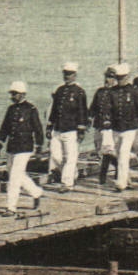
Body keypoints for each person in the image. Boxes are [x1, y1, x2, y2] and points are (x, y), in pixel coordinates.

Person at [0, 81, 46, 215]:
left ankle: (11, 207)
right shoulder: (11, 109)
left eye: (15, 94)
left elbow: (38, 129)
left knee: (14, 177)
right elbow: (5, 128)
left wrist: (39, 147)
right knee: (17, 174)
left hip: (25, 148)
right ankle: (36, 192)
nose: (12, 96)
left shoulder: (31, 110)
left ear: (23, 94)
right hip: (12, 147)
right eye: (12, 94)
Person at [46, 63, 89, 191]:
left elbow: (82, 112)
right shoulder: (59, 91)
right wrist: (49, 127)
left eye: (69, 74)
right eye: (65, 73)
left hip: (71, 130)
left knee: (70, 157)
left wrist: (81, 130)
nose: (67, 76)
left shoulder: (79, 92)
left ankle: (67, 183)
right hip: (58, 129)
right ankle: (73, 173)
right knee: (56, 156)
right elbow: (54, 110)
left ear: (75, 75)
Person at [108, 63, 138, 192]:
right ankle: (126, 179)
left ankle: (121, 184)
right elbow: (109, 108)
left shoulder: (134, 91)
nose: (120, 80)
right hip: (116, 127)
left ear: (127, 77)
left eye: (122, 77)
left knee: (123, 153)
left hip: (129, 128)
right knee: (118, 154)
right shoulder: (112, 92)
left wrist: (136, 122)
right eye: (118, 78)